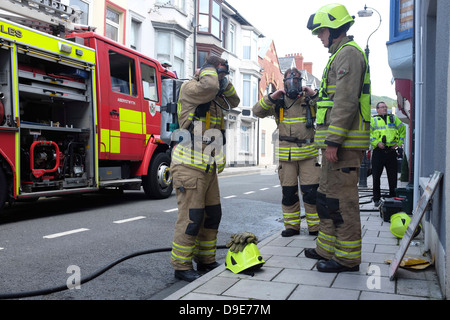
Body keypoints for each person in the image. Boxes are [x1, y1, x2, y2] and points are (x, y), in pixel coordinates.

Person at [304, 3, 371, 273]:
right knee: (328, 197)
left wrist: (334, 141)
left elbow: (345, 101)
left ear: (334, 30)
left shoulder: (348, 54)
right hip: (336, 144)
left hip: (342, 145)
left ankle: (347, 258)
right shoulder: (339, 54)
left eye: (321, 32)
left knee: (343, 201)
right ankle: (327, 248)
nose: (319, 37)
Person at [169, 56, 240, 282]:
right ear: (207, 72)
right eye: (217, 74)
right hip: (188, 166)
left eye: (222, 76)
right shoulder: (191, 88)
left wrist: (224, 80)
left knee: (212, 216)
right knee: (192, 217)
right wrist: (210, 72)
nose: (219, 80)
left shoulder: (215, 97)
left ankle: (206, 260)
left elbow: (236, 100)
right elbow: (209, 85)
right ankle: (181, 266)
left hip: (207, 168)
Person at [252, 67, 320, 237]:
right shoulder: (278, 101)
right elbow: (256, 111)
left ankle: (315, 227)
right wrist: (271, 97)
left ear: (301, 83)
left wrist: (313, 94)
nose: (292, 84)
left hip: (308, 154)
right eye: (289, 81)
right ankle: (292, 226)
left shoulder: (309, 99)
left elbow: (328, 107)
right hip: (286, 156)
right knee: (288, 193)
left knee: (311, 192)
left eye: (296, 81)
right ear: (284, 84)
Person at [370, 102, 406, 207]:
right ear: (377, 109)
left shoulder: (393, 118)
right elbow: (369, 134)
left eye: (386, 107)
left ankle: (392, 197)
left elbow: (402, 130)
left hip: (391, 152)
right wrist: (377, 143)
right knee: (376, 176)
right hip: (378, 152)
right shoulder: (373, 120)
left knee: (392, 176)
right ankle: (376, 199)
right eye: (382, 107)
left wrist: (398, 143)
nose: (385, 109)